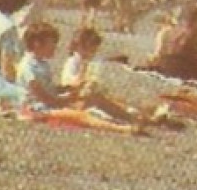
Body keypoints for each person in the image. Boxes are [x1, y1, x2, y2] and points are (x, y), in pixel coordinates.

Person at [16, 22, 145, 136]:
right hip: (35, 110)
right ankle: (121, 129)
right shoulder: (28, 67)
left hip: (46, 104)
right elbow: (47, 100)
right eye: (52, 44)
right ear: (37, 44)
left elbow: (50, 89)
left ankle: (132, 118)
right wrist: (72, 97)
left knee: (94, 97)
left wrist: (70, 88)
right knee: (79, 115)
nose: (55, 47)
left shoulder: (41, 63)